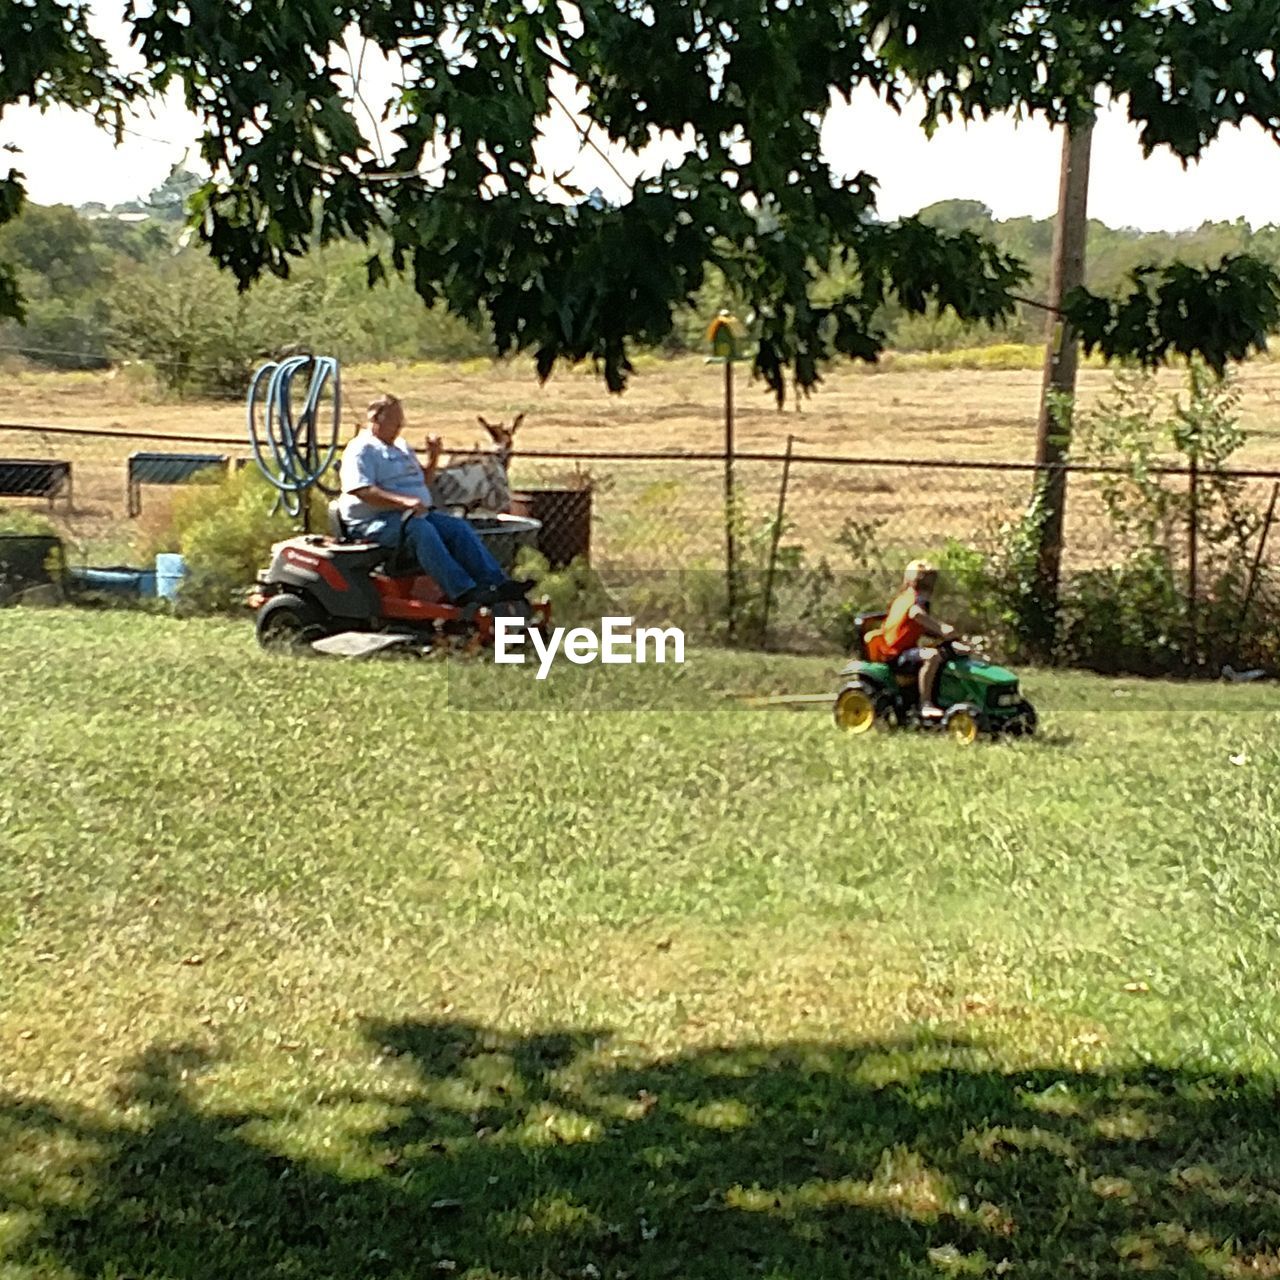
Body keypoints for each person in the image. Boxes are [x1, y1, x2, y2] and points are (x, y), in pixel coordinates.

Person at [337, 394, 530, 607]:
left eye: (401, 420)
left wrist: (433, 458)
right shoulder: (361, 450)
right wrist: (403, 502)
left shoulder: (401, 447)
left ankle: (497, 584)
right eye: (395, 420)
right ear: (376, 419)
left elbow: (423, 482)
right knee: (421, 530)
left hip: (412, 516)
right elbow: (361, 490)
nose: (401, 425)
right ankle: (464, 591)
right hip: (375, 522)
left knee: (457, 527)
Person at [881, 560, 958, 719]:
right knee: (932, 656)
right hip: (897, 653)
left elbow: (916, 626)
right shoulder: (915, 599)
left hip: (903, 649)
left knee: (942, 651)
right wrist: (941, 628)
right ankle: (926, 704)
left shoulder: (905, 597)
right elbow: (916, 615)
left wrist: (944, 636)